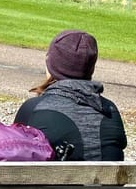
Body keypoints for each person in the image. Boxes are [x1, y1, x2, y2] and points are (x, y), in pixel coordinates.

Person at [14, 29, 127, 161]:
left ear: (53, 66)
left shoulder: (33, 108)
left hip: (55, 181)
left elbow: (14, 154)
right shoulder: (110, 110)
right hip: (105, 182)